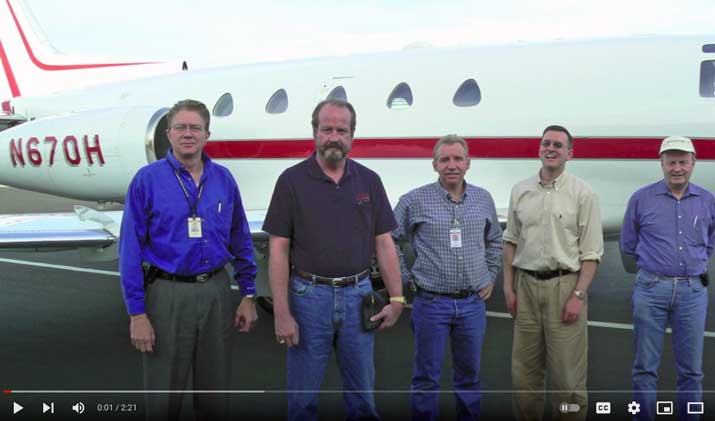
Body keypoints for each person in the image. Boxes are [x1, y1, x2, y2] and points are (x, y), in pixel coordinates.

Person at [262, 99, 405, 421]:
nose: (334, 137)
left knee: (363, 399)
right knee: (302, 400)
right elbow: (279, 250)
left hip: (359, 297)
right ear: (314, 133)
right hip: (309, 298)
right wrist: (282, 313)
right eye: (327, 129)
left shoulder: (369, 180)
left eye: (342, 130)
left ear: (352, 136)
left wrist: (396, 298)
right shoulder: (291, 181)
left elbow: (384, 242)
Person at [119, 99, 258, 421]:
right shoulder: (147, 180)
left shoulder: (223, 180)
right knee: (163, 396)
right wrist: (137, 314)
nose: (188, 134)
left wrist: (249, 294)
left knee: (215, 395)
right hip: (168, 295)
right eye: (180, 127)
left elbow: (241, 239)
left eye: (195, 127)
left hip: (216, 293)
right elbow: (130, 251)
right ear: (168, 134)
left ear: (207, 134)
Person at [392, 134, 502, 420]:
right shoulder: (413, 200)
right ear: (434, 164)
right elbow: (388, 240)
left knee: (469, 379)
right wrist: (406, 277)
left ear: (468, 163)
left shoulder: (483, 198)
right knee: (426, 380)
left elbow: (495, 240)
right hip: (431, 304)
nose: (451, 165)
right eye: (445, 159)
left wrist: (490, 275)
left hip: (472, 304)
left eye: (457, 159)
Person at [502, 125, 603, 420]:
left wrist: (578, 296)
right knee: (524, 376)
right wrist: (509, 289)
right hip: (526, 287)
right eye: (546, 143)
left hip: (565, 288)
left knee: (567, 380)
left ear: (569, 153)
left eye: (558, 145)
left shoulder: (583, 194)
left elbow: (591, 254)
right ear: (539, 149)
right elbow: (510, 242)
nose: (551, 148)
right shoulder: (520, 190)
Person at [620, 136, 714, 421]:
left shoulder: (707, 200)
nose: (677, 168)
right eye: (671, 162)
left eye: (683, 162)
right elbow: (628, 243)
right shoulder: (641, 198)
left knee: (691, 371)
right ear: (661, 163)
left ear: (693, 163)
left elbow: (710, 242)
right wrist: (655, 269)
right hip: (651, 289)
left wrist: (695, 264)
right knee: (645, 367)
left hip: (692, 292)